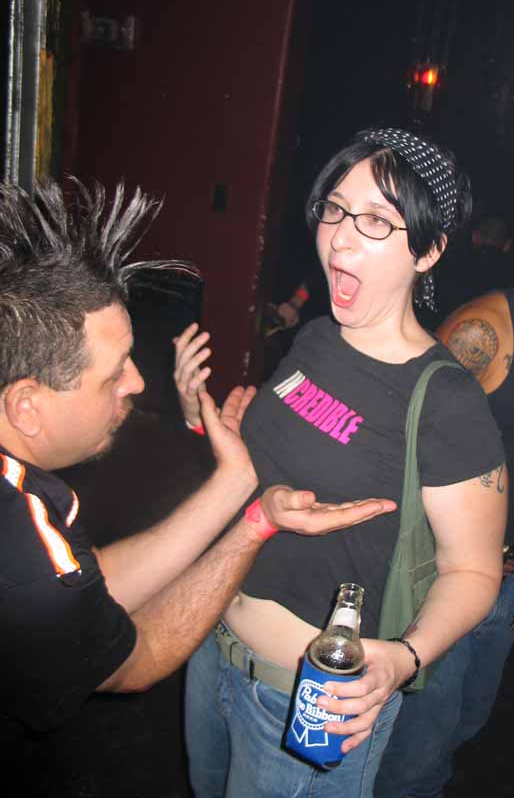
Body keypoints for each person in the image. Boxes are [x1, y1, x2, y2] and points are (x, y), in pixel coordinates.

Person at [0, 177, 397, 765]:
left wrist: (233, 484)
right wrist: (255, 524)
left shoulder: (34, 535)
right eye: (114, 373)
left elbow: (86, 582)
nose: (138, 382)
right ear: (26, 407)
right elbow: (131, 661)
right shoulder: (18, 534)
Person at [176, 126, 508, 798]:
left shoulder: (446, 401)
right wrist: (204, 420)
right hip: (210, 648)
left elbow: (474, 571)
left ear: (429, 250)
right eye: (334, 208)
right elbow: (266, 480)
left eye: (377, 221)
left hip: (307, 705)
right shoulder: (316, 337)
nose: (339, 238)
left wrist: (405, 658)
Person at [375, 168, 514, 797]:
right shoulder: (488, 332)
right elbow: (399, 438)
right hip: (444, 575)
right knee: (414, 761)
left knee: (463, 728)